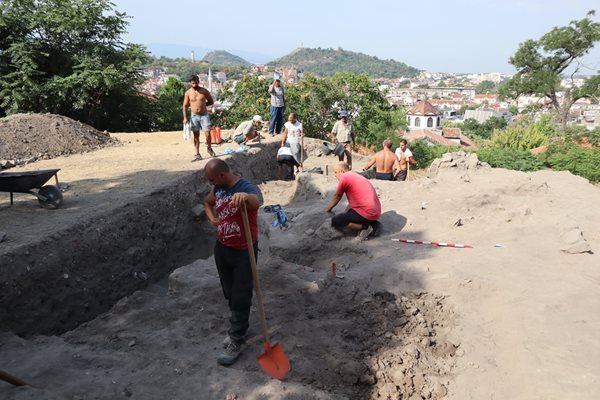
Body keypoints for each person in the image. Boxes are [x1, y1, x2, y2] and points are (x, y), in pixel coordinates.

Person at [203, 159, 261, 366]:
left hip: (244, 251)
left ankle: (236, 339)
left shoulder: (244, 187)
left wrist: (245, 198)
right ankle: (239, 324)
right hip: (223, 248)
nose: (210, 183)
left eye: (211, 179)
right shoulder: (217, 188)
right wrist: (212, 218)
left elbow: (257, 201)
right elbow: (208, 202)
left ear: (222, 175)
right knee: (229, 292)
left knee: (240, 295)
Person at [324, 162, 382, 240]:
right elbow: (353, 202)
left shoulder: (344, 177)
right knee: (347, 215)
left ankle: (366, 227)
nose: (335, 175)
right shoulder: (356, 176)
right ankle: (373, 224)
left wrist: (328, 209)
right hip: (375, 212)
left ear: (342, 171)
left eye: (335, 172)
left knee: (336, 220)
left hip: (367, 211)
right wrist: (346, 214)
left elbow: (337, 196)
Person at [183, 75, 215, 162]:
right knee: (196, 136)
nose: (194, 84)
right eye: (193, 83)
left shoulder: (204, 91)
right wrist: (185, 117)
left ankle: (209, 147)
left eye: (196, 83)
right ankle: (197, 154)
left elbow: (211, 101)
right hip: (194, 116)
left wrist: (203, 106)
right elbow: (185, 106)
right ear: (190, 83)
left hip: (204, 115)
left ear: (198, 81)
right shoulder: (188, 93)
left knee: (207, 134)